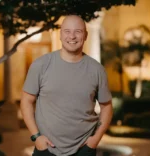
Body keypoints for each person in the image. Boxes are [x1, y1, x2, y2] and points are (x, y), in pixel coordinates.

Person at [20, 15, 113, 156]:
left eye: (78, 31)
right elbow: (26, 101)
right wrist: (36, 136)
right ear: (60, 34)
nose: (72, 36)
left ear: (86, 35)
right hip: (46, 149)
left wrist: (95, 139)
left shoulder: (97, 70)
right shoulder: (41, 65)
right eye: (67, 31)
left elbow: (106, 106)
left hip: (84, 150)